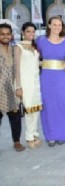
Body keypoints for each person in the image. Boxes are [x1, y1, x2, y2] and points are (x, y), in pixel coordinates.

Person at [37, 16, 65, 147]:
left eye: (60, 25)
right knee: (47, 106)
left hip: (60, 78)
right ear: (49, 26)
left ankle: (62, 135)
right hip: (46, 78)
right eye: (54, 24)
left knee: (61, 105)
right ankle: (50, 136)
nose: (57, 27)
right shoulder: (40, 41)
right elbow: (34, 55)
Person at [14, 22, 43, 149]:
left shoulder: (34, 47)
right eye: (28, 31)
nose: (31, 34)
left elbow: (37, 64)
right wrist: (18, 86)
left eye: (33, 31)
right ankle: (29, 136)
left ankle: (35, 133)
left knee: (36, 109)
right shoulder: (18, 47)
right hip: (25, 83)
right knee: (28, 110)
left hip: (36, 82)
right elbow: (16, 68)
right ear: (22, 33)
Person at [0, 23, 25, 152]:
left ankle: (17, 141)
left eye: (7, 34)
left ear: (11, 35)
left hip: (12, 88)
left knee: (15, 117)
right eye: (2, 34)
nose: (5, 36)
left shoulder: (14, 50)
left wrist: (19, 86)